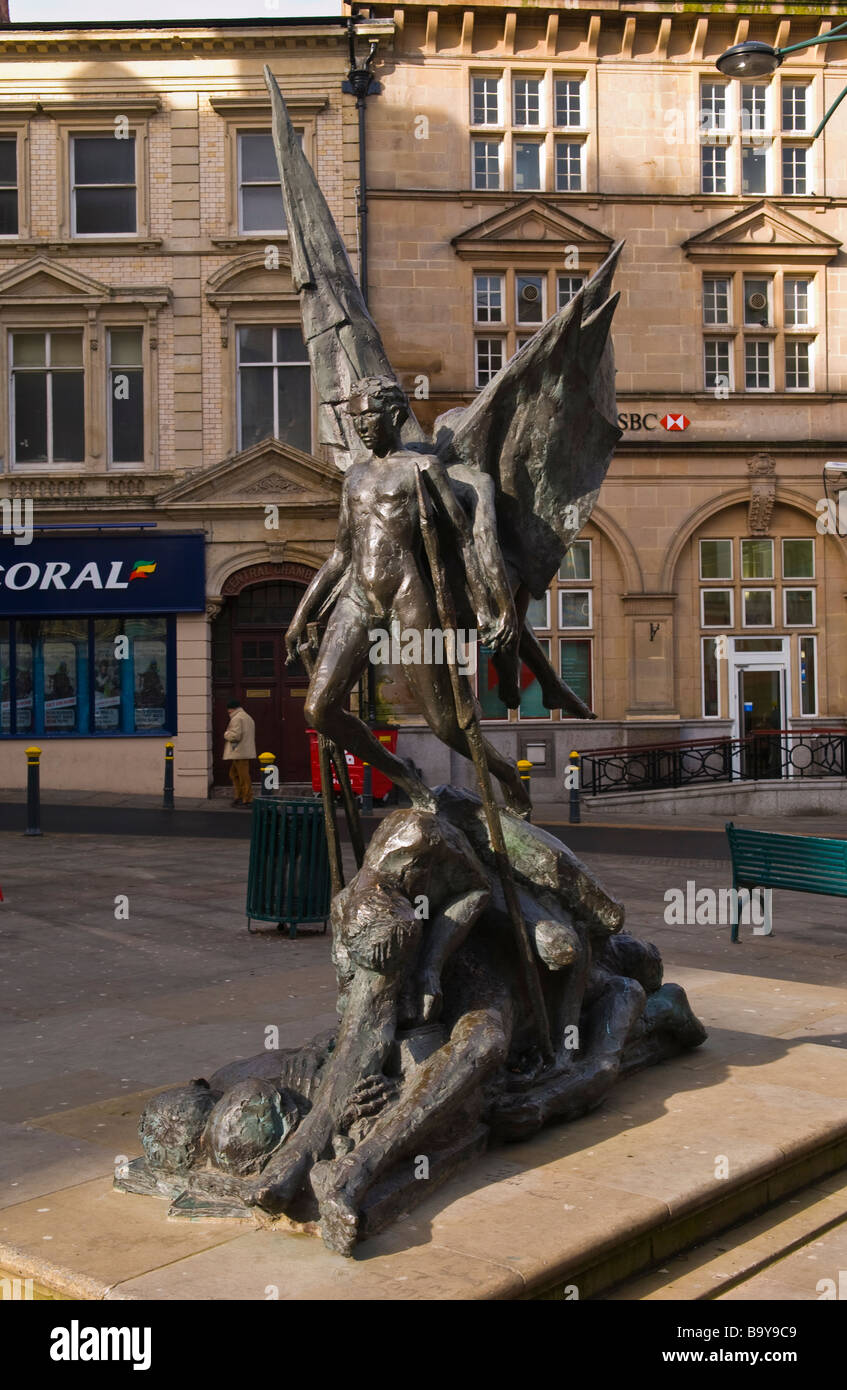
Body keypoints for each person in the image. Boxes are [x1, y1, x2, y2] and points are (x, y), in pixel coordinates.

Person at [284, 375, 531, 816]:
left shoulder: (424, 470)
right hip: (357, 599)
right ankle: (407, 779)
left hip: (408, 598)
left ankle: (505, 773)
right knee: (319, 709)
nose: (361, 425)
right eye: (355, 417)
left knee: (445, 723)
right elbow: (341, 555)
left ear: (395, 415)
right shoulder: (355, 477)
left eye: (370, 416)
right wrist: (302, 614)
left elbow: (463, 544)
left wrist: (494, 604)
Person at [223, 697, 256, 806]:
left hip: (239, 752)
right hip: (241, 751)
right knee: (234, 774)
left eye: (228, 709)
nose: (228, 712)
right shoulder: (247, 717)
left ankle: (246, 798)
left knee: (243, 776)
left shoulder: (237, 718)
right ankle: (239, 796)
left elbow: (235, 736)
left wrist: (226, 734)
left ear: (231, 709)